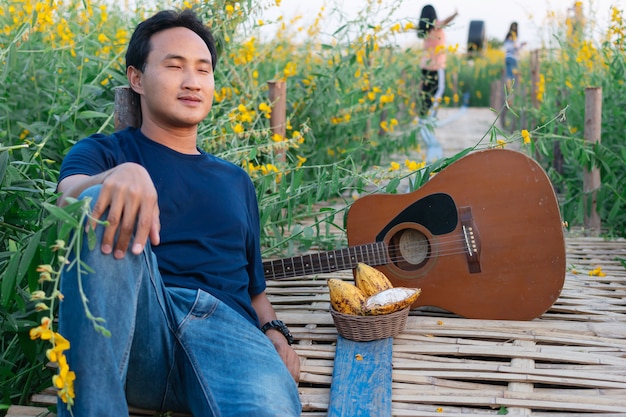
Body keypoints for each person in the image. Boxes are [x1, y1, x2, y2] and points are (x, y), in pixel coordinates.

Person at [55, 9, 301, 417]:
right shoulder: (106, 152)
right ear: (137, 78)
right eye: (175, 66)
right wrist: (122, 173)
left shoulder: (236, 180)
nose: (192, 81)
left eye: (203, 71)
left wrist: (274, 330)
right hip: (136, 330)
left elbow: (254, 288)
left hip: (229, 336)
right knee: (97, 202)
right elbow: (65, 202)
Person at [416, 5, 458, 162]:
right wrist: (455, 14)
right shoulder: (435, 26)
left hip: (425, 66)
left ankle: (422, 118)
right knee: (439, 91)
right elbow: (446, 20)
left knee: (425, 92)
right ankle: (430, 119)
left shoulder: (423, 29)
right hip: (437, 66)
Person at [503, 22, 526, 89]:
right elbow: (515, 47)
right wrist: (521, 45)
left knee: (509, 74)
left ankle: (509, 90)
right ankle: (514, 90)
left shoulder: (508, 36)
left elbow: (507, 46)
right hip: (513, 57)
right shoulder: (514, 36)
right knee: (515, 75)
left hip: (507, 57)